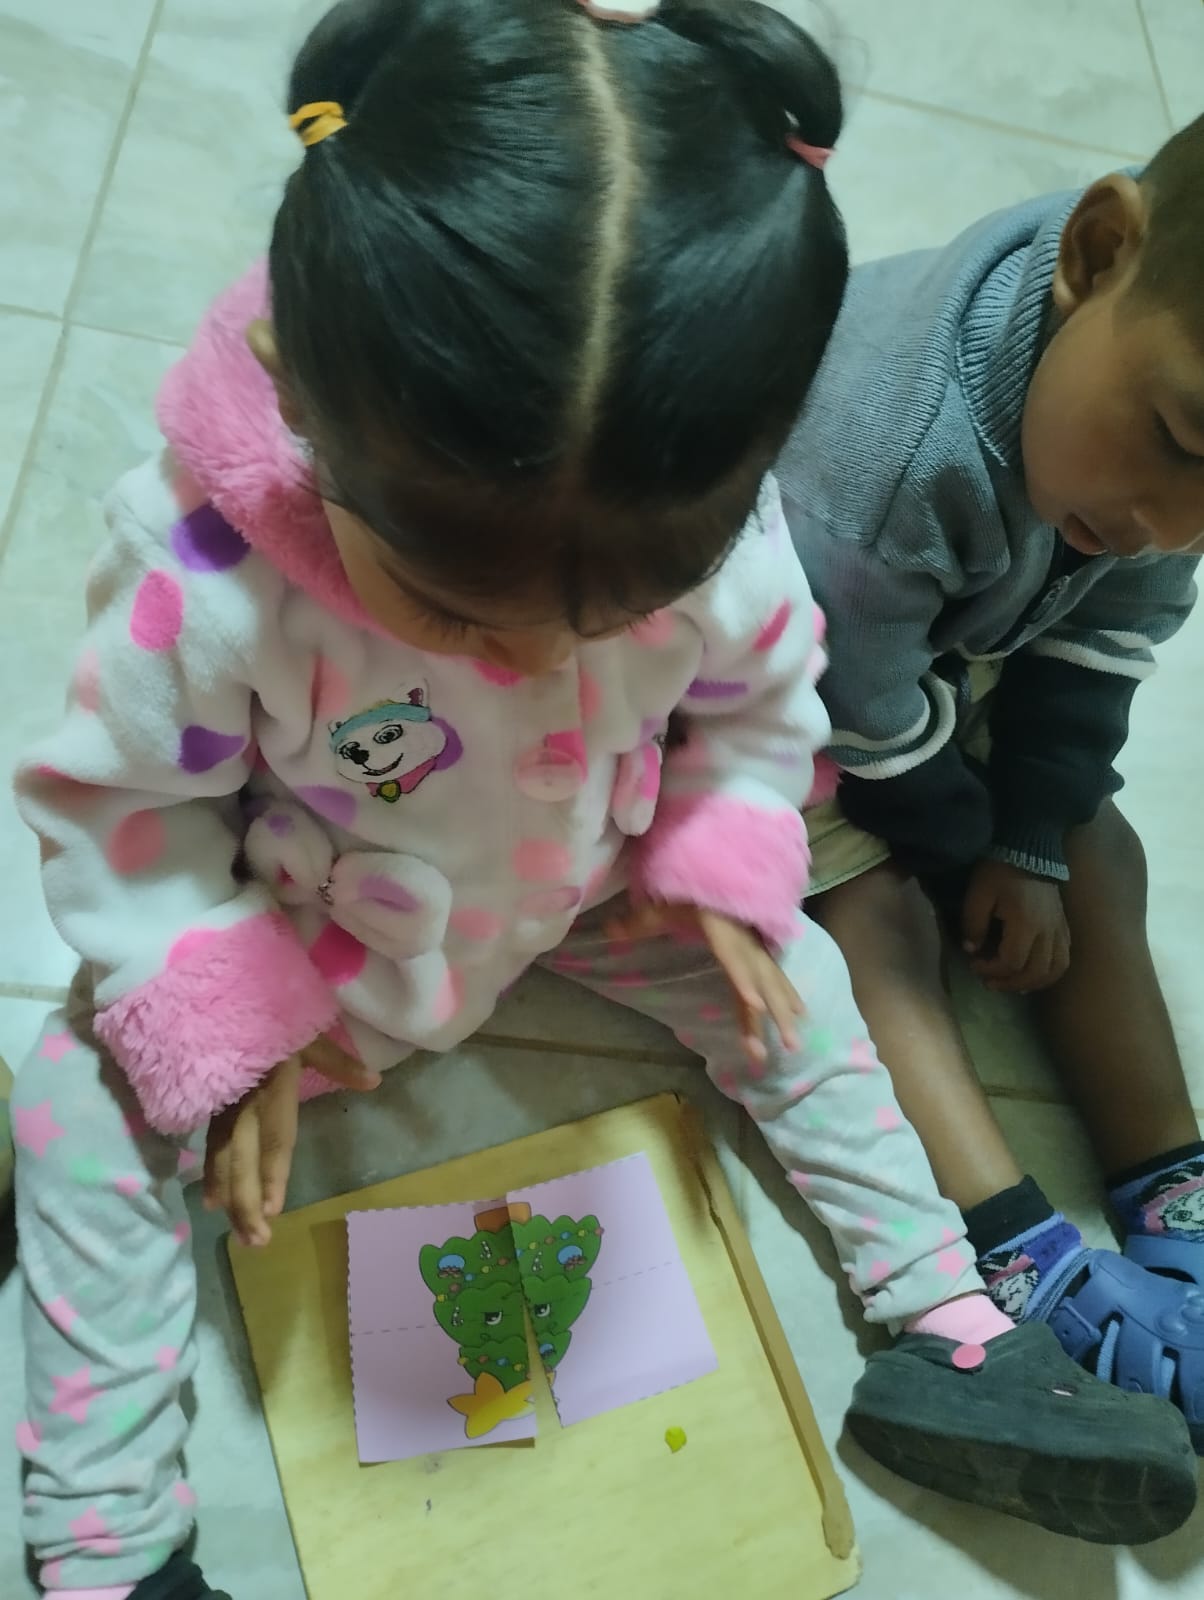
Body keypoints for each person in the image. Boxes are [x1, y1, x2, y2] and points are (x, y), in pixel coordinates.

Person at [9, 4, 1196, 1595]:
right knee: (79, 1091)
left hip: (592, 886)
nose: (536, 658)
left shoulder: (724, 519)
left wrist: (720, 851)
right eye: (453, 608)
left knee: (796, 976)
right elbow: (125, 816)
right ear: (300, 406)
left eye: (614, 608)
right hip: (318, 927)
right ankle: (110, 1548)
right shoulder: (204, 570)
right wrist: (228, 1016)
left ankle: (952, 1326)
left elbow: (762, 701)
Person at [778, 111, 1204, 1454]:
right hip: (795, 671)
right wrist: (969, 846)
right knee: (865, 910)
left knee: (1095, 842)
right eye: (1182, 440)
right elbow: (860, 718)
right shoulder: (883, 455)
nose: (1174, 528)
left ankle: (1177, 1195)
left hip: (941, 650)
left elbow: (1104, 639)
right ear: (1096, 251)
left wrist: (1030, 836)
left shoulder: (1149, 467)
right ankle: (1012, 1241)